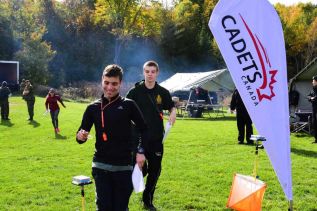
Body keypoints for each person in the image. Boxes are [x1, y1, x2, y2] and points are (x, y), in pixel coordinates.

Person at [76, 64, 147, 211]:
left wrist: (140, 151)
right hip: (100, 165)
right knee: (104, 207)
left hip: (124, 166)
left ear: (120, 83)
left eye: (114, 84)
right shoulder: (92, 108)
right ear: (102, 80)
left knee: (120, 208)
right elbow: (80, 135)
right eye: (106, 83)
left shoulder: (129, 105)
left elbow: (144, 129)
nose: (110, 87)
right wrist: (81, 136)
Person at [126, 60, 176, 210]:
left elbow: (171, 105)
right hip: (138, 139)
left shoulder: (162, 92)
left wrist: (173, 112)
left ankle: (147, 200)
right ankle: (124, 199)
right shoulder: (135, 92)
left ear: (157, 73)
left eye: (153, 71)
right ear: (144, 72)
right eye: (147, 71)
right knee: (140, 169)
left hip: (156, 139)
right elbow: (125, 109)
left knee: (155, 171)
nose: (150, 74)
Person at [307, 75, 317, 143]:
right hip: (314, 109)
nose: (312, 82)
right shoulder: (312, 89)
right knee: (314, 123)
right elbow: (308, 96)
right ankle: (316, 139)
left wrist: (314, 98)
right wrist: (311, 98)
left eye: (313, 81)